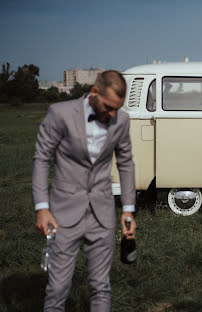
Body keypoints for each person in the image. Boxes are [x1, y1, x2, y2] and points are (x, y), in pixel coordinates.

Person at [32, 70, 136, 312]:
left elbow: (126, 163)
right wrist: (42, 208)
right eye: (109, 107)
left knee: (101, 286)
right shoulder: (61, 114)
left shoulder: (121, 120)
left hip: (102, 216)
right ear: (94, 92)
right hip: (63, 216)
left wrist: (128, 210)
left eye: (117, 108)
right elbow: (41, 158)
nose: (112, 114)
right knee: (58, 289)